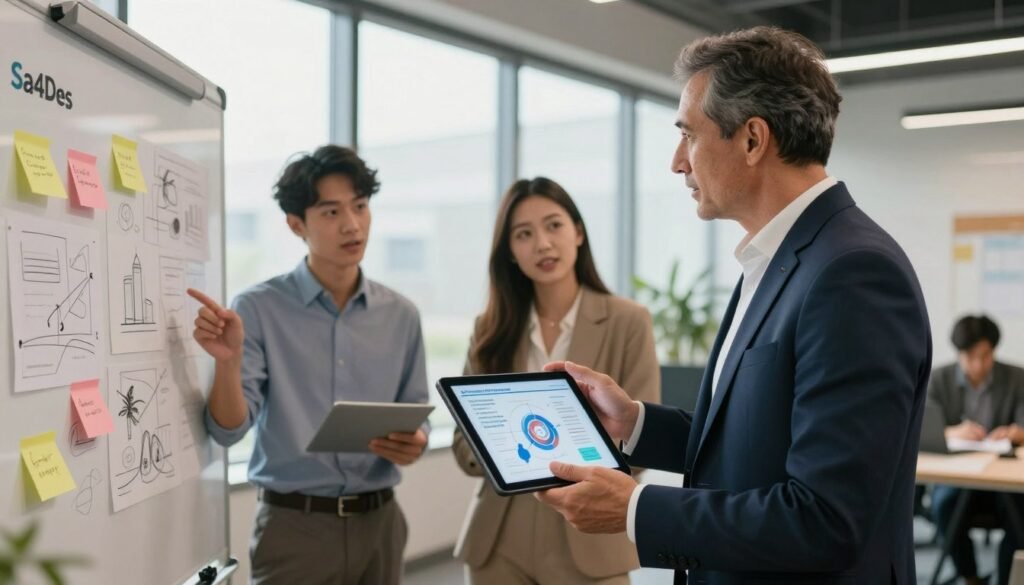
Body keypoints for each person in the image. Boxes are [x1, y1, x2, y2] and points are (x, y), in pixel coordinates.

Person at [535, 26, 933, 585]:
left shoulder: (852, 273)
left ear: (752, 140)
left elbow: (826, 518)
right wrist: (635, 423)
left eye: (688, 136)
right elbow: (755, 439)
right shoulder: (780, 257)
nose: (678, 163)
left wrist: (635, 509)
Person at [187, 145, 429, 585]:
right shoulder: (258, 308)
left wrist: (415, 442)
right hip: (294, 527)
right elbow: (227, 430)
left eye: (360, 206)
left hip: (381, 524)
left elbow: (416, 414)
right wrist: (228, 363)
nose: (352, 225)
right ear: (296, 224)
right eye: (332, 212)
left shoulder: (402, 315)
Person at [452, 177, 660, 585]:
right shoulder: (490, 328)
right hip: (499, 538)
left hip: (591, 537)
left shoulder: (628, 321)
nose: (542, 244)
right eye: (524, 234)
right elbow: (464, 445)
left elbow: (641, 444)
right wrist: (504, 451)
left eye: (554, 226)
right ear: (510, 252)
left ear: (578, 232)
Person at [928, 315, 1024, 585]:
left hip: (1003, 478)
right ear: (959, 354)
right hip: (958, 476)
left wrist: (1017, 432)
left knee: (1022, 515)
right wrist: (951, 431)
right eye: (970, 357)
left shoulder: (1017, 378)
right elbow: (924, 429)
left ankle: (1007, 579)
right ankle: (970, 577)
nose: (978, 364)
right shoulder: (939, 379)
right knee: (944, 506)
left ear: (993, 351)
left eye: (985, 356)